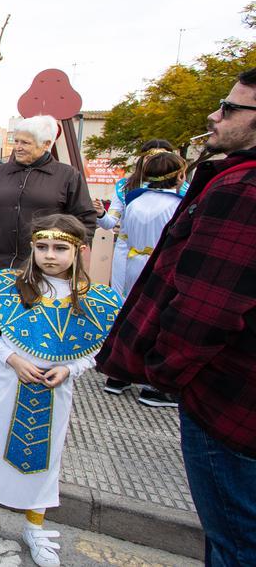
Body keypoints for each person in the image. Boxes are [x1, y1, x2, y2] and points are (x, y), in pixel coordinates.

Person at [97, 69, 256, 567]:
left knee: (233, 539)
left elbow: (207, 306)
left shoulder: (241, 191)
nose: (215, 115)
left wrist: (165, 372)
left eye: (230, 108)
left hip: (225, 403)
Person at [0, 214, 121, 567]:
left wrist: (69, 368)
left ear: (79, 250)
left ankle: (35, 525)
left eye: (59, 248)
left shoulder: (93, 299)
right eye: (42, 247)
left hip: (56, 392)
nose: (49, 255)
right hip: (10, 383)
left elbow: (94, 350)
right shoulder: (9, 286)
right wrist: (12, 360)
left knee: (48, 455)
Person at [0, 115, 97, 400]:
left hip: (43, 268)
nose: (17, 147)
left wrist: (67, 253)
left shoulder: (67, 176)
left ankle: (37, 369)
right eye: (17, 140)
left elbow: (84, 220)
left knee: (37, 320)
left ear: (47, 144)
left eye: (26, 143)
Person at [96, 148, 186, 406]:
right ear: (179, 176)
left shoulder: (134, 201)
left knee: (130, 316)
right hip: (162, 266)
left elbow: (117, 228)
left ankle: (118, 373)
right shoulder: (178, 205)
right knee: (158, 322)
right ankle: (152, 385)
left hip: (133, 261)